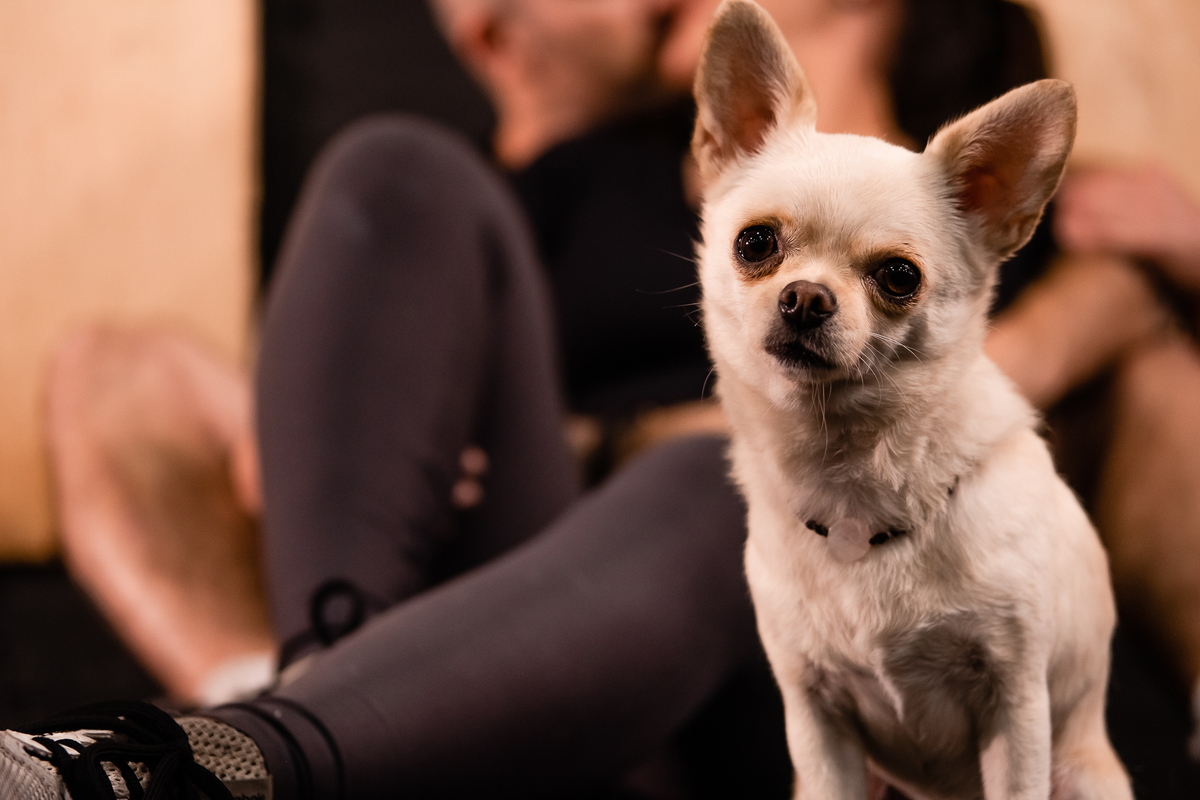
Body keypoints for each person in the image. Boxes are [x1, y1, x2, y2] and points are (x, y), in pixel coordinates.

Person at [11, 0, 1200, 798]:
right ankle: (328, 711)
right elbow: (297, 453)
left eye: (890, 276)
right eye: (759, 246)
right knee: (393, 171)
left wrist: (1100, 307)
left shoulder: (1012, 218)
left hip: (790, 630)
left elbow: (1128, 327)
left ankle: (234, 755)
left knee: (725, 483)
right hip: (504, 592)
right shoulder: (591, 165)